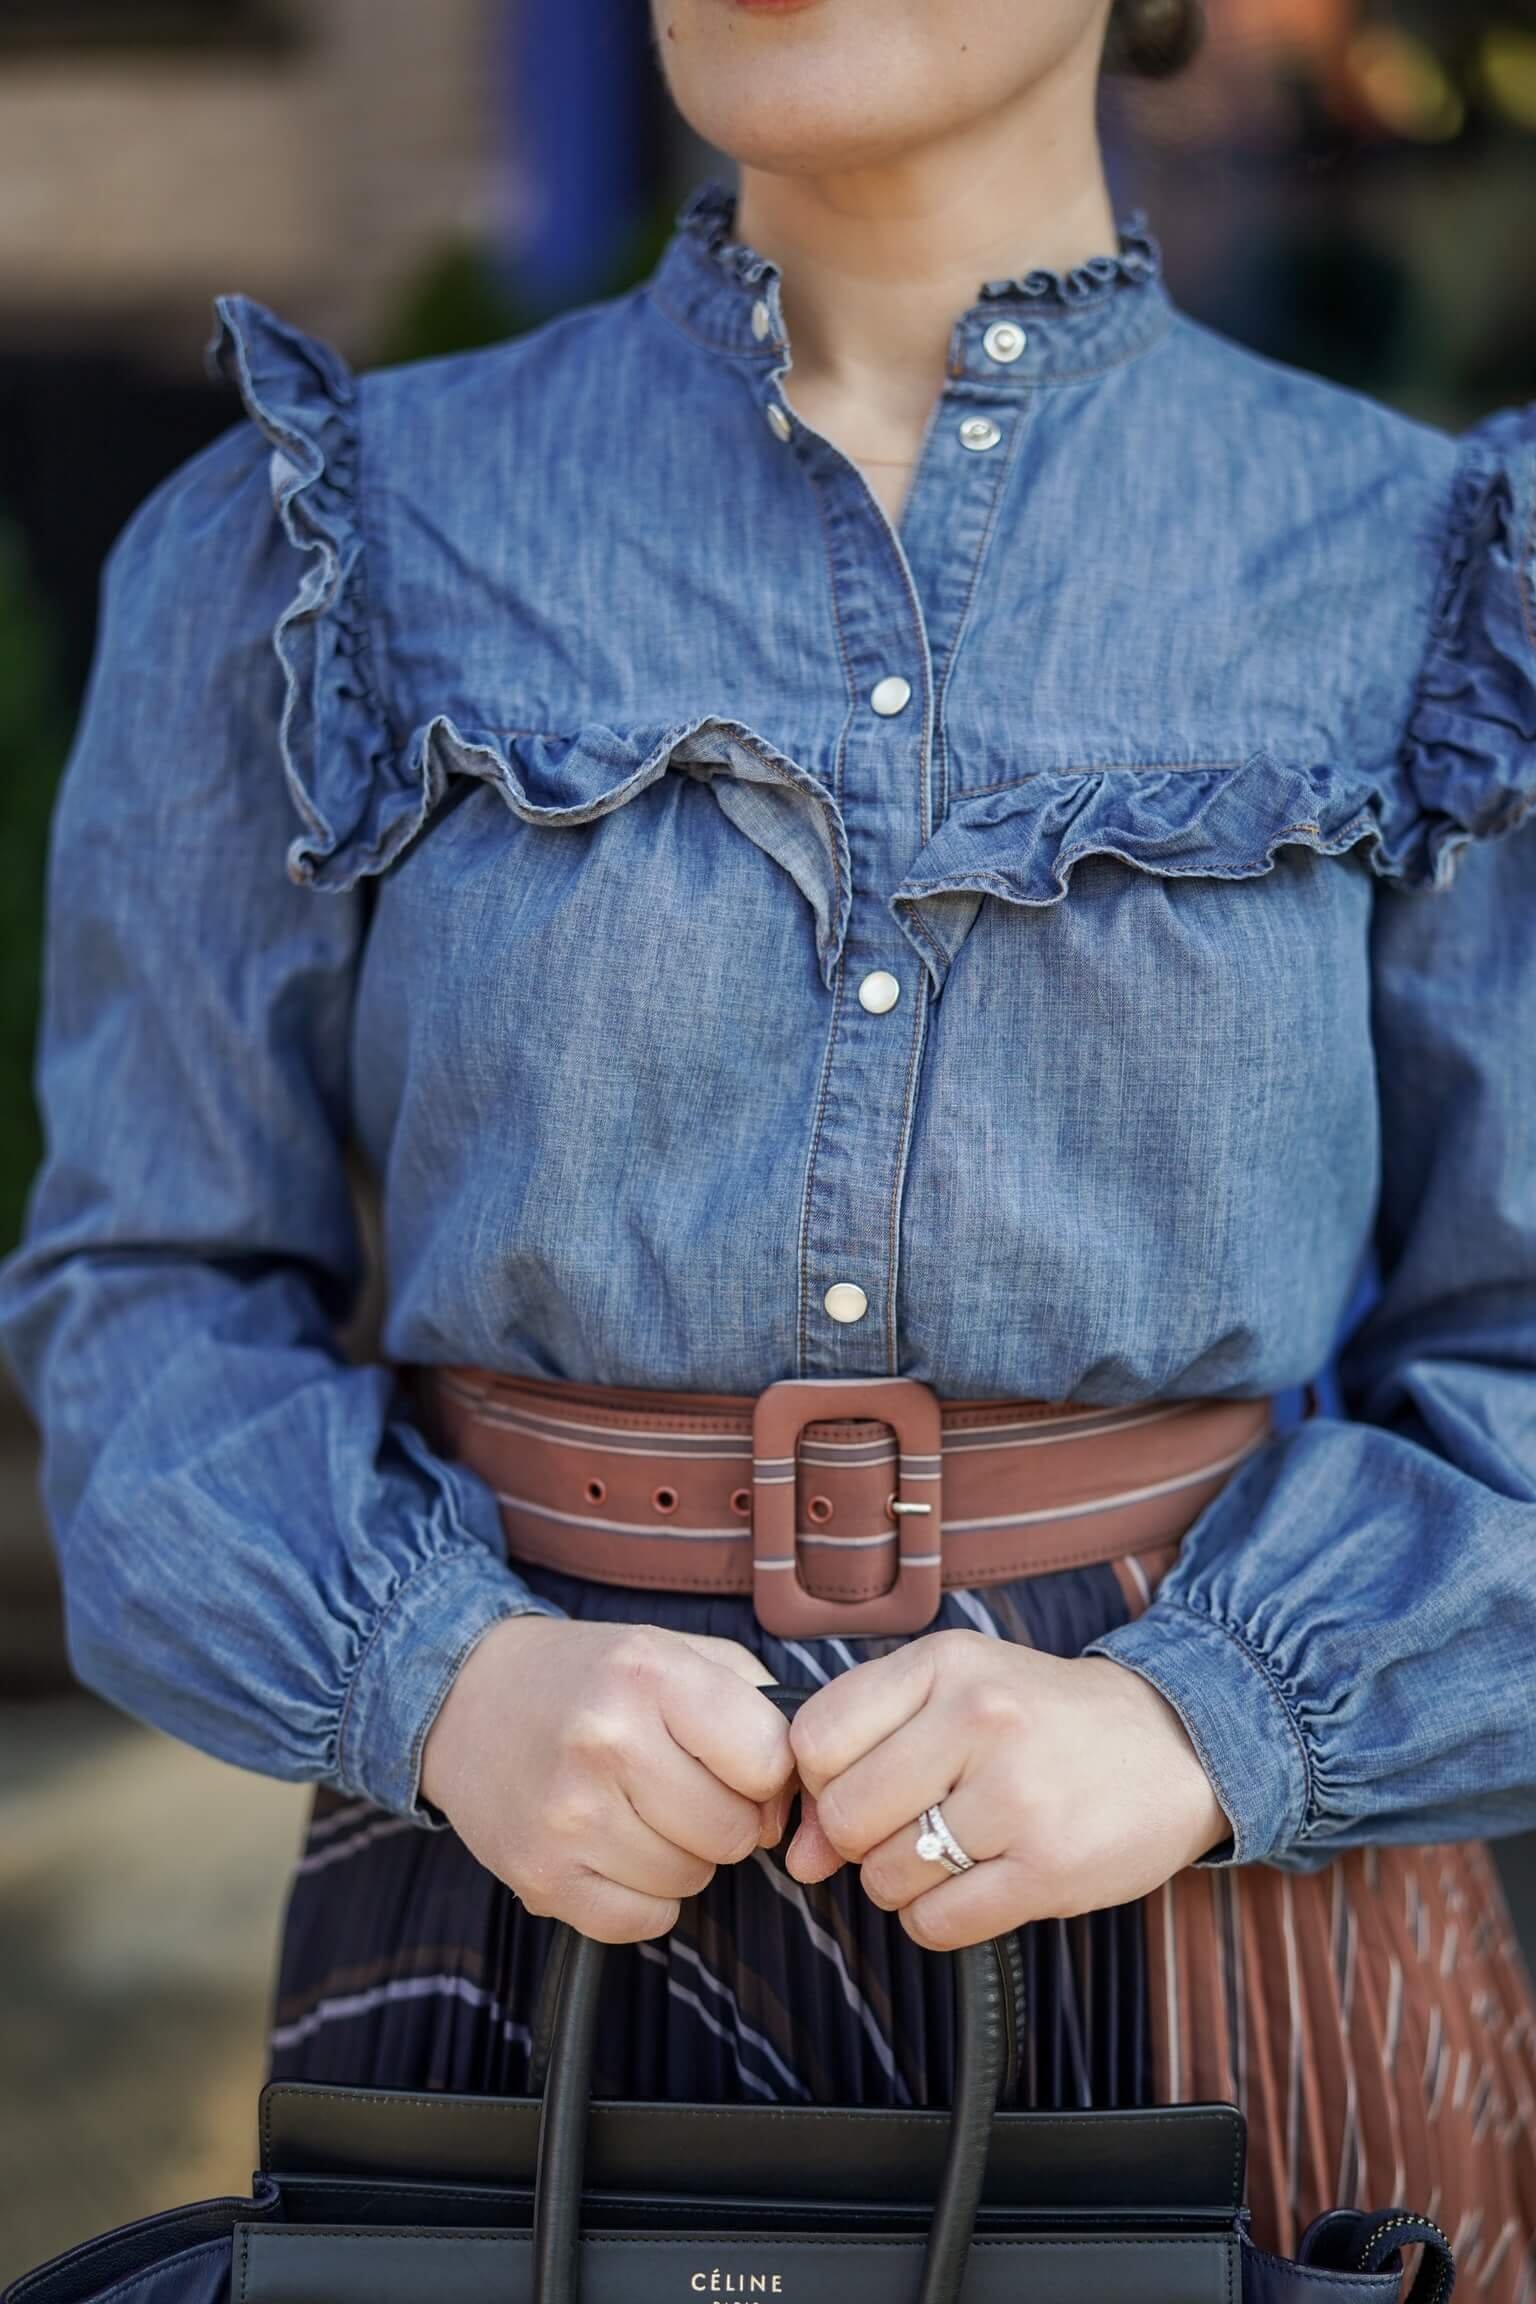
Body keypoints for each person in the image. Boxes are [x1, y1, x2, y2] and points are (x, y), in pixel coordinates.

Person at [3, 0, 1535, 2284]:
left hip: (1225, 1927)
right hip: (520, 1904)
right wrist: (440, 1674)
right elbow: (145, 1297)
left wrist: (1214, 1720)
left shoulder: (1426, 571)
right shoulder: (322, 538)